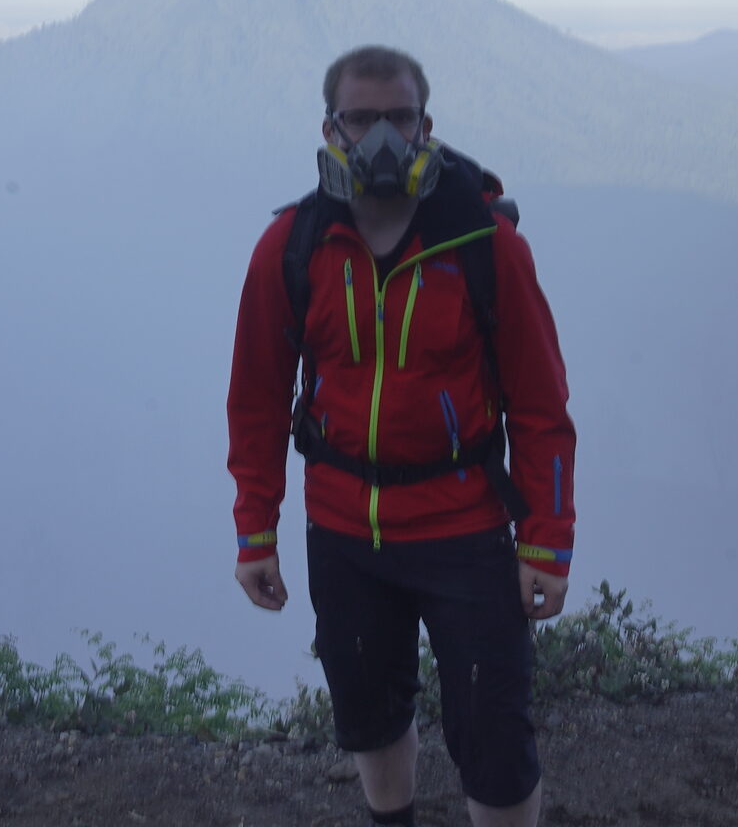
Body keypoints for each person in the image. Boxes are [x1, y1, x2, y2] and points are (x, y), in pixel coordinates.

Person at [226, 45, 575, 827]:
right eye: (362, 118)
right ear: (330, 129)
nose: (382, 135)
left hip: (467, 529)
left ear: (427, 127)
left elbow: (543, 407)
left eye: (399, 117)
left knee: (493, 734)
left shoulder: (485, 243)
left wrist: (546, 542)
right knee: (369, 713)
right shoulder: (292, 247)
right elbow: (254, 399)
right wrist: (256, 531)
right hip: (345, 531)